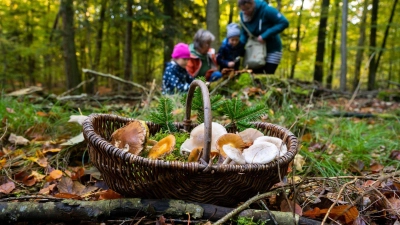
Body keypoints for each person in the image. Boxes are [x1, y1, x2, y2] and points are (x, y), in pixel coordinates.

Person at [238, 0, 289, 74]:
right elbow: (244, 32)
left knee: (266, 75)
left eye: (248, 9)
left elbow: (284, 22)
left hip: (272, 49)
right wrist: (239, 46)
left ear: (253, 4)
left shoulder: (266, 10)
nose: (246, 12)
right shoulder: (243, 15)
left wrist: (265, 35)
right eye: (243, 10)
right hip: (255, 51)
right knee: (253, 76)